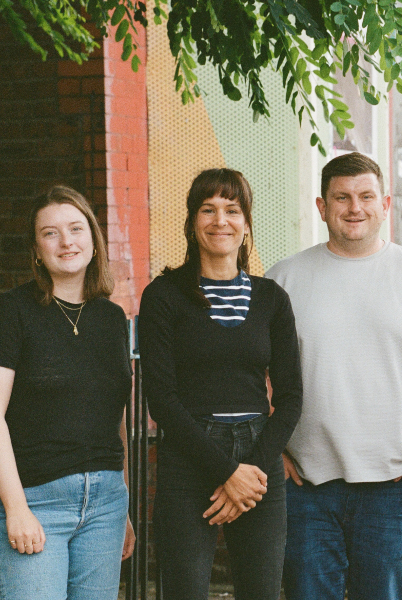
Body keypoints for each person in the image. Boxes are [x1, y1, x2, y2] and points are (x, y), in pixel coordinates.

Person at [266, 152, 402, 600]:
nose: (354, 207)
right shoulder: (284, 278)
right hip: (306, 484)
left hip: (393, 483)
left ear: (385, 204)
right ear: (322, 206)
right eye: (341, 197)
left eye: (365, 196)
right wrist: (274, 448)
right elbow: (256, 372)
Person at [138, 168, 303, 600]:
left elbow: (290, 398)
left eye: (232, 210)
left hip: (259, 457)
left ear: (246, 223)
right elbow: (162, 400)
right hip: (189, 455)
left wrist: (252, 472)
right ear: (193, 221)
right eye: (208, 209)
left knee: (261, 592)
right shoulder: (164, 295)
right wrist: (226, 471)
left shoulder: (271, 298)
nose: (220, 221)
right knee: (184, 591)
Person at [0, 185, 135, 600]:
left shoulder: (113, 319)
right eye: (51, 233)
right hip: (35, 500)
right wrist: (15, 508)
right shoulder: (10, 313)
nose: (66, 242)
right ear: (36, 249)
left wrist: (124, 504)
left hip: (105, 506)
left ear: (93, 240)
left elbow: (115, 420)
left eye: (76, 228)